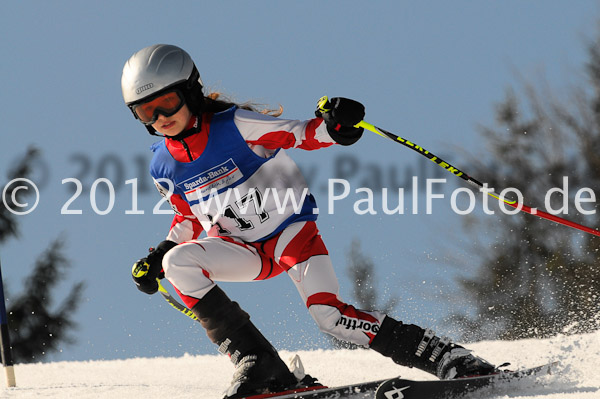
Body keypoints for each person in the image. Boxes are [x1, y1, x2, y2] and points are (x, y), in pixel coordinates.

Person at [121, 44, 497, 398]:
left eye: (167, 104)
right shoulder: (162, 164)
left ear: (190, 91)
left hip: (290, 235)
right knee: (177, 264)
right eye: (145, 112)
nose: (160, 119)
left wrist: (335, 126)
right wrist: (162, 252)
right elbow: (188, 214)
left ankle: (448, 357)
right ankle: (260, 364)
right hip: (240, 248)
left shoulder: (235, 126)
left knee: (329, 316)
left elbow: (302, 133)